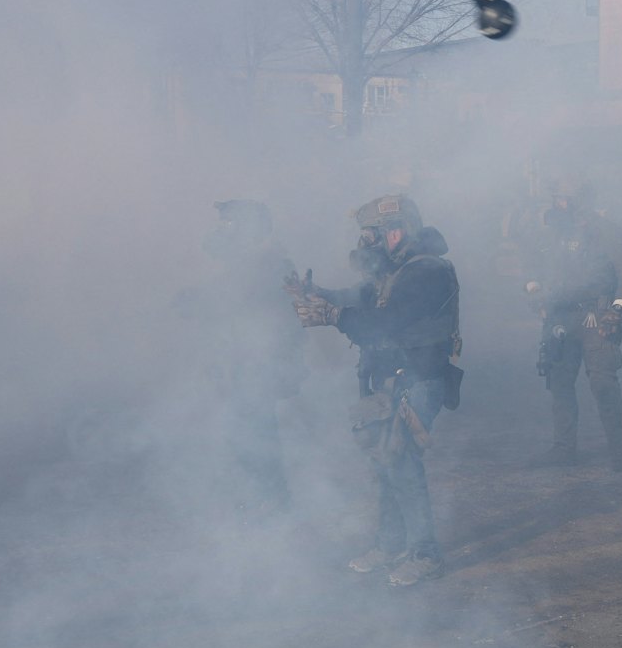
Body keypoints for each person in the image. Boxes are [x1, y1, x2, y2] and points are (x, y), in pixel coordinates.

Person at [288, 194, 461, 587]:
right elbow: (355, 298)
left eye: (377, 233)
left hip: (418, 380)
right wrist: (317, 294)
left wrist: (334, 316)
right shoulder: (392, 272)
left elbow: (386, 321)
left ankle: (425, 554)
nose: (371, 242)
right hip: (392, 380)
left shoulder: (427, 270)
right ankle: (389, 544)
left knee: (402, 462)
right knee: (385, 463)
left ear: (400, 231)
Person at [181, 199, 302, 512]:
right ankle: (259, 501)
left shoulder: (272, 264)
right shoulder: (247, 263)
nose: (224, 231)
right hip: (241, 365)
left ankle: (272, 504)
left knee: (257, 435)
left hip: (259, 366)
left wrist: (206, 300)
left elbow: (256, 304)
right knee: (242, 434)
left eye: (230, 224)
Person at [528, 178, 622, 470]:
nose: (559, 205)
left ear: (581, 201)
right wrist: (535, 293)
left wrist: (617, 310)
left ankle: (618, 450)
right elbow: (533, 267)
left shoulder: (608, 233)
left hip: (597, 316)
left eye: (564, 199)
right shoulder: (551, 233)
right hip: (560, 317)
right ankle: (564, 448)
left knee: (603, 383)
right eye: (557, 198)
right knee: (559, 384)